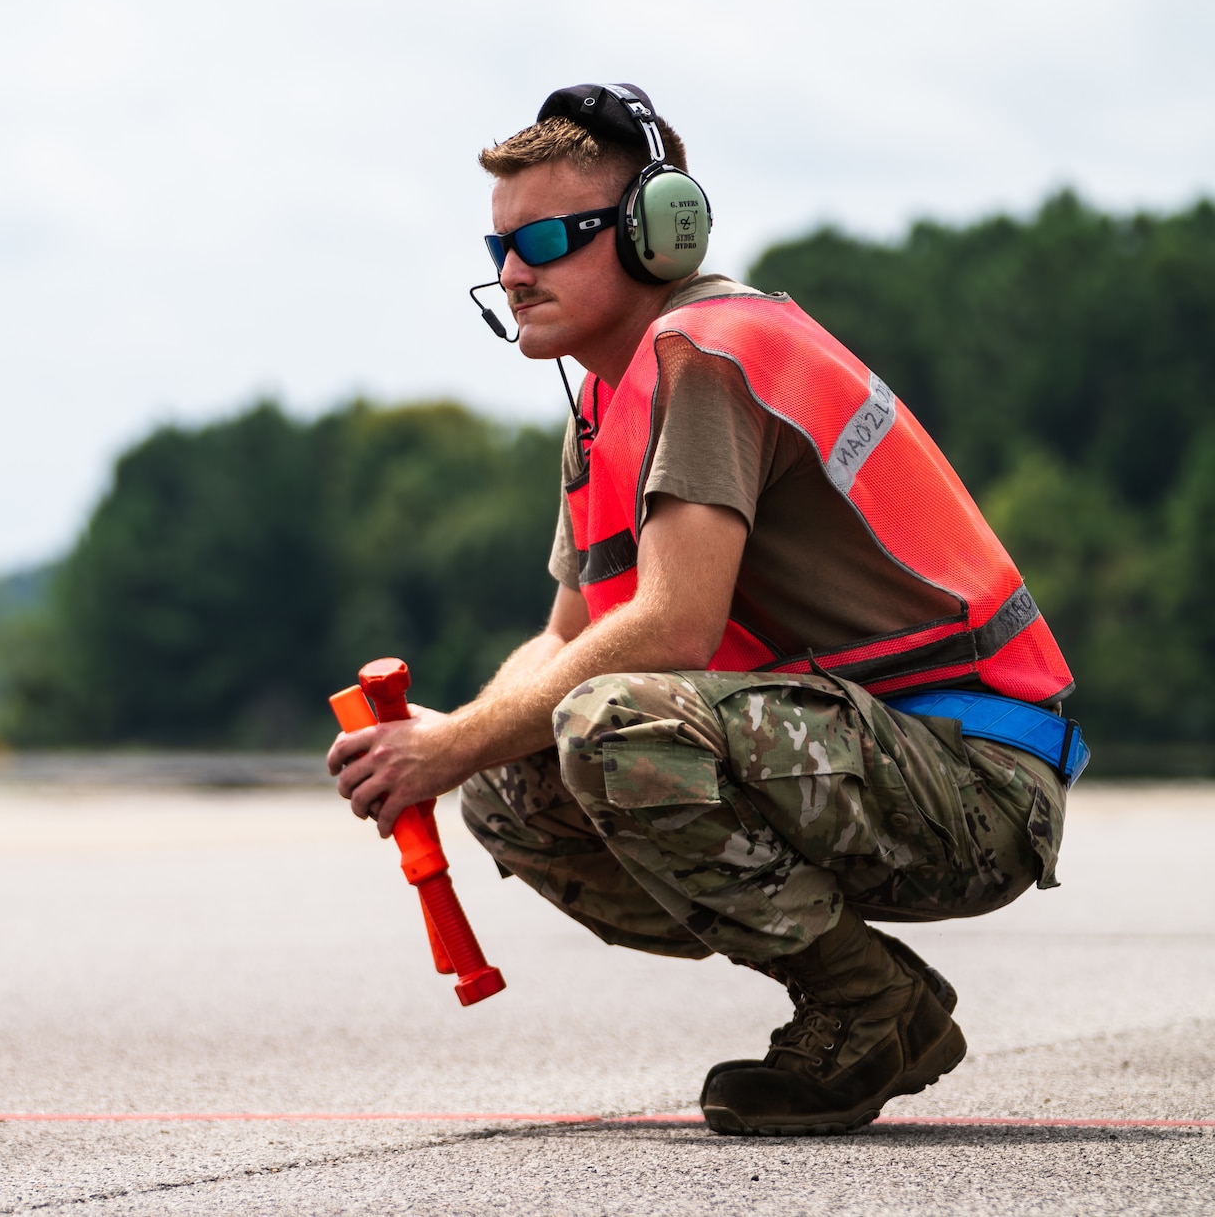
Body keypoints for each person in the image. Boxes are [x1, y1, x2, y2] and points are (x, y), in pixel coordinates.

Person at [325, 83, 1083, 1137]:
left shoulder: (708, 356)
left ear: (653, 233)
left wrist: (444, 742)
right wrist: (446, 743)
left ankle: (864, 1003)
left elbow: (673, 627)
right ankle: (862, 985)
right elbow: (560, 636)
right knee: (511, 775)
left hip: (977, 774)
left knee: (607, 722)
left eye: (545, 237)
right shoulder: (604, 399)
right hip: (854, 753)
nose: (510, 273)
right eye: (497, 244)